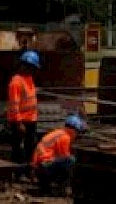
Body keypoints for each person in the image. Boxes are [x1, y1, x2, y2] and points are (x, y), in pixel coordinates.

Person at [33, 114, 86, 195]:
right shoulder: (65, 137)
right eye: (78, 132)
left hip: (40, 166)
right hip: (44, 165)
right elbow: (65, 156)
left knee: (66, 161)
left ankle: (47, 186)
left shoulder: (59, 133)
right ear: (74, 130)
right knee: (70, 160)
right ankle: (61, 188)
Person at [7, 49, 40, 179]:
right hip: (20, 121)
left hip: (31, 120)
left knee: (30, 148)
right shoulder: (16, 82)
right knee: (17, 148)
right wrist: (18, 122)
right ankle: (17, 172)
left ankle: (28, 171)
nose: (32, 70)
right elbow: (14, 104)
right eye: (31, 67)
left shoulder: (29, 79)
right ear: (24, 66)